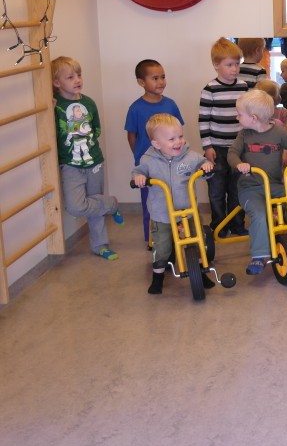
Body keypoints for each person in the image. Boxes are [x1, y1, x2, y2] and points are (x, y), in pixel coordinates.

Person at [227, 91, 287, 275]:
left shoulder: (278, 132)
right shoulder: (244, 135)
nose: (237, 118)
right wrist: (239, 164)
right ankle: (260, 255)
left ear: (254, 118)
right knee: (260, 214)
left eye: (239, 114)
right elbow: (232, 154)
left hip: (275, 185)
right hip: (250, 188)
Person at [132, 114, 215, 294]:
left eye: (180, 136)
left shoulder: (190, 156)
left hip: (188, 211)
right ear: (156, 144)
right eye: (171, 139)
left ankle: (201, 274)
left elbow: (204, 163)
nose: (178, 142)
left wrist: (206, 166)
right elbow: (138, 171)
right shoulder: (148, 160)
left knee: (196, 241)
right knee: (162, 247)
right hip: (161, 214)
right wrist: (139, 177)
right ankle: (158, 278)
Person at [52, 56, 124, 260]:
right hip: (70, 165)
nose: (77, 80)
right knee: (76, 206)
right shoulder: (55, 106)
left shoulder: (88, 102)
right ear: (57, 82)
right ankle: (111, 204)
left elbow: (96, 129)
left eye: (79, 75)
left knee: (94, 203)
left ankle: (100, 245)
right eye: (70, 77)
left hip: (94, 162)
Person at [124, 59, 184, 244]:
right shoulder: (135, 108)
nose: (161, 82)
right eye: (155, 78)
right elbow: (132, 136)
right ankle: (153, 240)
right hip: (150, 167)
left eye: (163, 77)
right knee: (151, 203)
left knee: (176, 199)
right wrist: (140, 158)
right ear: (141, 82)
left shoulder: (171, 105)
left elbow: (179, 131)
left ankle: (178, 236)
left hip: (172, 163)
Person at [199, 38, 249, 237]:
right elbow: (203, 121)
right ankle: (219, 225)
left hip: (239, 148)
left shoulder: (244, 87)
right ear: (216, 64)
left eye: (237, 64)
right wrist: (207, 146)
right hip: (217, 149)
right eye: (229, 65)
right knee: (217, 190)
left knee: (237, 189)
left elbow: (249, 116)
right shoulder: (210, 90)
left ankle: (237, 224)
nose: (235, 69)